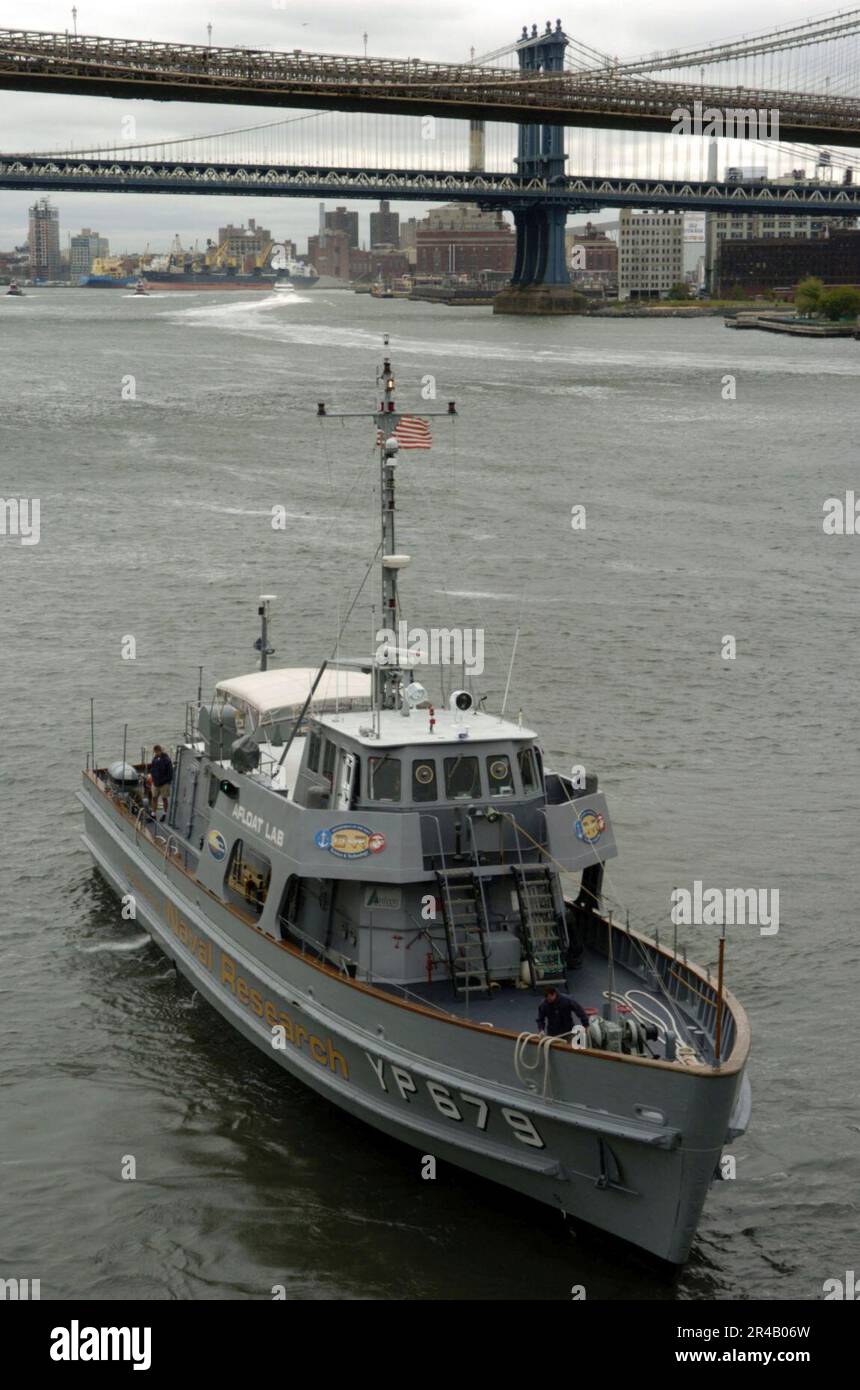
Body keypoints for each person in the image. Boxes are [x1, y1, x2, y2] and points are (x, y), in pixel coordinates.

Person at [150, 745, 173, 820]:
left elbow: (170, 773)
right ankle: (153, 814)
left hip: (164, 784)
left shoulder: (167, 760)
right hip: (155, 783)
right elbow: (152, 769)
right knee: (154, 798)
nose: (156, 753)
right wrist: (153, 779)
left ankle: (164, 814)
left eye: (157, 752)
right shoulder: (155, 759)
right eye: (155, 752)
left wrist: (165, 781)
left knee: (164, 799)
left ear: (160, 751)